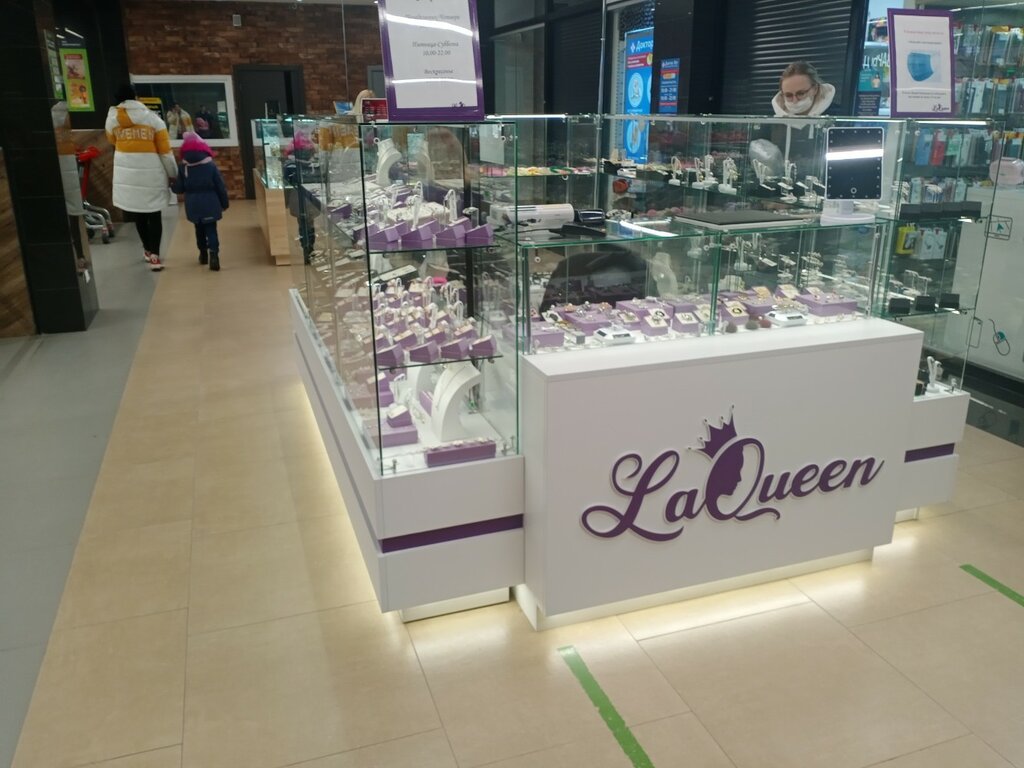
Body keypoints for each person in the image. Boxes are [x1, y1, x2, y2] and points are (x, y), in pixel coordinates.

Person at [105, 84, 177, 271]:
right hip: (151, 174)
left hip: (128, 176)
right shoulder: (153, 119)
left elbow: (112, 141)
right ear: (136, 97)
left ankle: (147, 249)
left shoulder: (112, 120)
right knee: (154, 214)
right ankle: (155, 256)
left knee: (138, 214)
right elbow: (165, 152)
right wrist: (173, 174)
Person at [171, 132, 229, 271]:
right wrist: (224, 203)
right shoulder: (210, 165)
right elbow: (220, 186)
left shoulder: (183, 166)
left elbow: (180, 188)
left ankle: (203, 254)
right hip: (210, 202)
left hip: (193, 203)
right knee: (211, 229)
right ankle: (214, 256)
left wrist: (172, 185)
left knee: (199, 229)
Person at [771, 61, 836, 117]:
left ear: (815, 89)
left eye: (801, 93)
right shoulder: (774, 121)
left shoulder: (837, 116)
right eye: (788, 95)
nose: (795, 101)